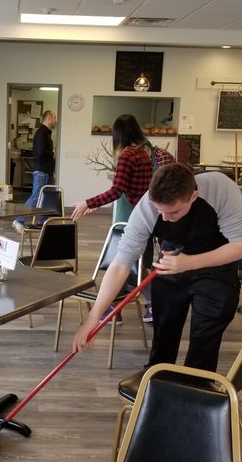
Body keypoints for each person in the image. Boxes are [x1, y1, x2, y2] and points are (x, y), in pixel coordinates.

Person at [72, 163, 242, 373]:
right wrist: (93, 317)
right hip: (171, 261)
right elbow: (121, 264)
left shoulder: (221, 188)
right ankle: (157, 383)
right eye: (160, 211)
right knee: (164, 331)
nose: (165, 218)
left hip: (217, 265)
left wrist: (190, 262)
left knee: (205, 340)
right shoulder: (146, 207)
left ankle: (196, 389)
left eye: (173, 212)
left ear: (193, 197)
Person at [70, 114, 174, 322]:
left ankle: (113, 309)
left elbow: (116, 191)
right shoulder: (143, 154)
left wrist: (87, 203)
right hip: (147, 216)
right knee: (135, 266)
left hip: (135, 220)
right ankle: (141, 306)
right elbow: (124, 189)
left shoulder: (127, 156)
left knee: (123, 264)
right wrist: (95, 205)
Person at [13, 110, 57, 233]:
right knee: (36, 197)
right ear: (49, 118)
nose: (56, 120)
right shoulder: (41, 133)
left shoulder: (47, 133)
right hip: (41, 172)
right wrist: (52, 153)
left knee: (46, 198)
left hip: (47, 172)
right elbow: (40, 153)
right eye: (55, 117)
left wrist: (52, 171)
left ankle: (43, 224)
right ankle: (18, 220)